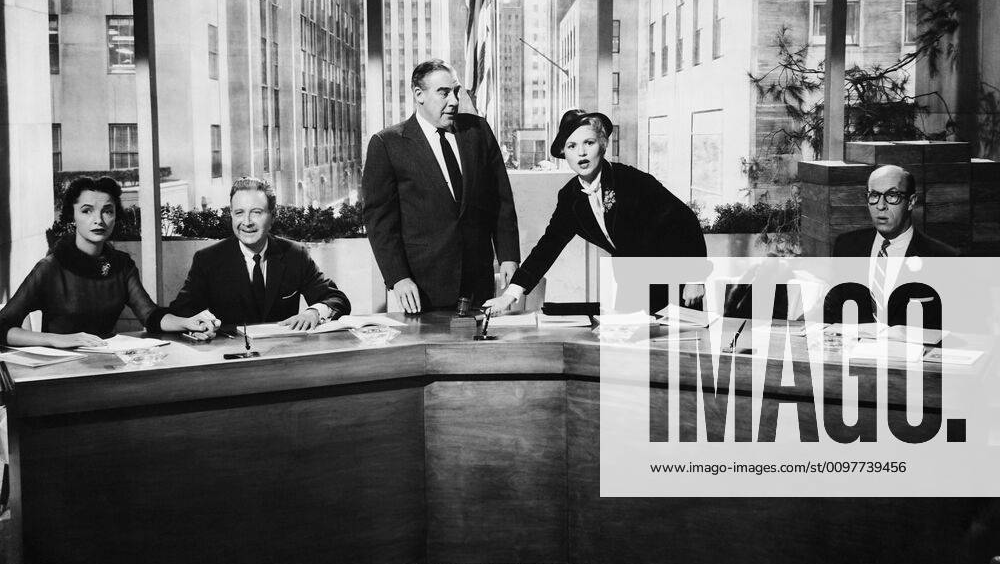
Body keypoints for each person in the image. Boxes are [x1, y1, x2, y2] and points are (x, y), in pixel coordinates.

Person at [483, 109, 706, 315]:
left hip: (678, 279)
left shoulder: (632, 181)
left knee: (680, 352)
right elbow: (549, 245)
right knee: (627, 352)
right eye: (571, 146)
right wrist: (510, 295)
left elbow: (684, 220)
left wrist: (695, 277)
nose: (581, 153)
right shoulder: (570, 196)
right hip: (633, 282)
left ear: (603, 144)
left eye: (588, 142)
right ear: (563, 153)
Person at [362, 59, 520, 312]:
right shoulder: (387, 144)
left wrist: (509, 256)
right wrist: (398, 277)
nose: (455, 101)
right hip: (422, 285)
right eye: (444, 93)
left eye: (456, 91)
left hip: (478, 280)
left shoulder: (478, 131)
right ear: (419, 94)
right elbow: (380, 222)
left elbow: (501, 200)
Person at [0, 176, 217, 349]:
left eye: (107, 211)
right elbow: (3, 327)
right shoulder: (50, 268)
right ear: (71, 216)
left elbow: (150, 315)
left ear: (115, 216)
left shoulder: (122, 265)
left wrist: (186, 322)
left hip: (107, 365)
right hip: (60, 375)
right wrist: (55, 339)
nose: (99, 220)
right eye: (87, 211)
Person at [167, 176, 349, 329]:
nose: (246, 222)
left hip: (283, 358)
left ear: (272, 217)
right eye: (239, 213)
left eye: (256, 212)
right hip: (228, 360)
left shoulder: (295, 255)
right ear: (231, 214)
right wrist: (196, 327)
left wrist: (314, 312)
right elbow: (181, 313)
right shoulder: (208, 260)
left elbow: (336, 299)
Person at [825, 164, 957, 329]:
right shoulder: (846, 247)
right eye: (874, 195)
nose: (881, 206)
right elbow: (831, 313)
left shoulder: (943, 258)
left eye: (892, 196)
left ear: (911, 202)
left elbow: (954, 329)